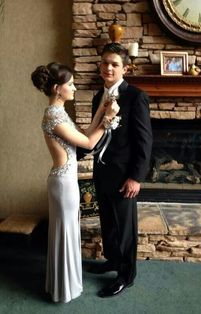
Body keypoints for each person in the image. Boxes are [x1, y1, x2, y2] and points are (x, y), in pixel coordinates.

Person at [31, 62, 119, 303]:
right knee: (64, 232)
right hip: (63, 182)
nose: (75, 87)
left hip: (65, 179)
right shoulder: (53, 115)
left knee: (67, 231)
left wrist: (102, 110)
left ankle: (64, 286)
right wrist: (109, 119)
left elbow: (87, 132)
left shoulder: (59, 112)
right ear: (58, 88)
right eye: (70, 84)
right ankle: (62, 290)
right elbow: (89, 144)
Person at [87, 43, 153, 298]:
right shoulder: (97, 97)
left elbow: (144, 141)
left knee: (125, 227)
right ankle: (113, 261)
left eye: (114, 64)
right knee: (108, 223)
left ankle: (127, 275)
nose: (108, 67)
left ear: (125, 68)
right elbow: (95, 135)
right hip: (102, 171)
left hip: (125, 175)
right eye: (104, 62)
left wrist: (136, 177)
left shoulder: (136, 96)